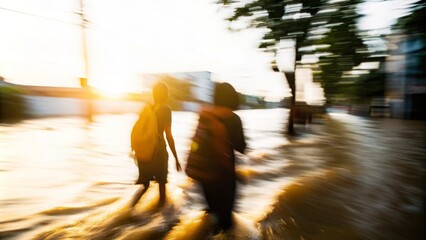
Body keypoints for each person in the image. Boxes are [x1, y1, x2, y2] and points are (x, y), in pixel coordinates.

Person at [196, 82, 246, 231]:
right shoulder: (233, 119)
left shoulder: (205, 116)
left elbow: (197, 144)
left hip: (204, 176)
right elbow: (241, 147)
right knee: (226, 223)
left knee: (212, 215)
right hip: (224, 176)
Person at [130, 81, 181, 208]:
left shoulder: (149, 109)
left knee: (145, 185)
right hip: (158, 152)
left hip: (145, 152)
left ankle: (129, 209)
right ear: (166, 94)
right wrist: (176, 158)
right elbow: (169, 136)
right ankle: (161, 221)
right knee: (162, 186)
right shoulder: (166, 109)